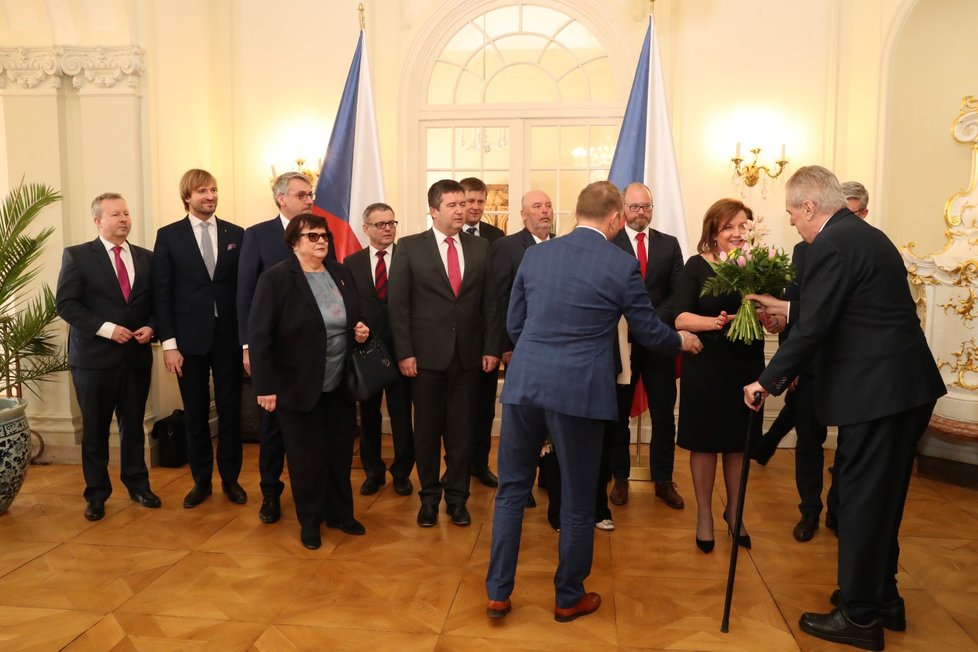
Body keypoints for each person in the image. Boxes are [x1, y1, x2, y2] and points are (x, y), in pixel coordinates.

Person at [744, 166, 945, 651]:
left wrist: (766, 381)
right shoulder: (866, 236)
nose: (795, 225)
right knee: (882, 502)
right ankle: (882, 599)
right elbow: (843, 310)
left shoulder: (832, 242)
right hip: (903, 390)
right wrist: (788, 308)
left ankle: (858, 617)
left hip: (878, 394)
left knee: (857, 503)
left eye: (794, 216)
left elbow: (815, 327)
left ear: (810, 207)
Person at [485, 180, 702, 623]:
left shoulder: (535, 254)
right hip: (580, 391)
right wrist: (680, 339)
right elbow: (647, 331)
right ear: (616, 218)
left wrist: (542, 356)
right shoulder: (621, 264)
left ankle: (497, 593)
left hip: (525, 383)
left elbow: (514, 323)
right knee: (581, 499)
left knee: (511, 491)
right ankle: (567, 596)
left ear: (576, 212)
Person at [751, 180, 871, 542]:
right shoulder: (803, 252)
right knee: (807, 445)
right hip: (809, 366)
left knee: (848, 449)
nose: (792, 223)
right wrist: (791, 363)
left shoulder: (847, 245)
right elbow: (803, 310)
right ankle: (809, 512)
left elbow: (828, 317)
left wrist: (772, 377)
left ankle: (837, 509)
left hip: (848, 372)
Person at [248, 214, 370, 550]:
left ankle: (340, 514)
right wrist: (265, 387)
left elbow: (352, 316)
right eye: (312, 235)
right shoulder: (276, 279)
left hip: (339, 383)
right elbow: (260, 336)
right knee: (306, 458)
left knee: (340, 453)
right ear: (294, 242)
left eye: (324, 235)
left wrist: (359, 328)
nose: (321, 241)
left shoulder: (341, 273)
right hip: (296, 386)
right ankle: (310, 521)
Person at [388, 179, 502, 528]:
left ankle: (457, 500)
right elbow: (398, 305)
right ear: (433, 210)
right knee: (426, 432)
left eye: (463, 203)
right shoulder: (408, 247)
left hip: (469, 357)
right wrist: (404, 352)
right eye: (452, 205)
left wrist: (492, 347)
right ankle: (428, 499)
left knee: (462, 433)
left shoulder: (481, 247)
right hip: (424, 359)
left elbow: (491, 303)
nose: (461, 210)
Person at [56, 193, 159, 521]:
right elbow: (67, 304)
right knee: (95, 429)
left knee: (133, 426)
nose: (124, 219)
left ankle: (138, 484)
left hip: (135, 358)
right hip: (93, 361)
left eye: (126, 213)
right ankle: (97, 494)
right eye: (115, 214)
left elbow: (158, 303)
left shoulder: (147, 258)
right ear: (98, 221)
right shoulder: (77, 256)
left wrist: (151, 327)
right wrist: (106, 329)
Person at [673, 198, 764, 554]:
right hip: (706, 366)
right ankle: (705, 517)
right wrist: (715, 323)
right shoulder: (696, 266)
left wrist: (773, 317)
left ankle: (735, 513)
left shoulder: (758, 265)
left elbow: (771, 311)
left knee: (738, 445)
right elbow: (679, 318)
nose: (737, 233)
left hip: (746, 368)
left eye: (743, 226)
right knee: (706, 444)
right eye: (729, 227)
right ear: (713, 231)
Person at [153, 169, 246, 508]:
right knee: (195, 414)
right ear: (187, 197)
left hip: (229, 338)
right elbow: (161, 294)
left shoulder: (237, 233)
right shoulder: (169, 236)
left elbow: (244, 289)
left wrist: (247, 340)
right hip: (188, 342)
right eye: (203, 191)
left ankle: (232, 480)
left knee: (231, 412)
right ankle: (201, 481)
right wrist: (170, 345)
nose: (210, 196)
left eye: (214, 190)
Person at [237, 171, 315, 525]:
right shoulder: (256, 235)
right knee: (271, 430)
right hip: (273, 351)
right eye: (302, 194)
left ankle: (311, 495)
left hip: (310, 355)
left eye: (310, 194)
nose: (309, 200)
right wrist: (248, 347)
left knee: (309, 428)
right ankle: (270, 493)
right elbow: (246, 295)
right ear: (281, 198)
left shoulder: (318, 230)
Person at [608, 182, 685, 508]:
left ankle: (663, 480)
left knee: (664, 416)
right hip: (622, 345)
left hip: (659, 344)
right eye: (635, 207)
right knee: (618, 415)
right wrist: (636, 321)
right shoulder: (611, 243)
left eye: (646, 207)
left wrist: (650, 322)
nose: (641, 213)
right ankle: (620, 479)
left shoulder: (669, 245)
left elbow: (678, 293)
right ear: (624, 209)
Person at [491, 189, 555, 509]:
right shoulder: (507, 246)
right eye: (537, 207)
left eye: (547, 206)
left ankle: (547, 476)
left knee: (549, 416)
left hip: (554, 351)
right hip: (519, 348)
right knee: (524, 421)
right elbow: (500, 299)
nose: (544, 212)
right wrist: (505, 346)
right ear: (523, 215)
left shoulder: (561, 245)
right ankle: (520, 484)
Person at [345, 203, 415, 497]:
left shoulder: (409, 258)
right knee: (370, 414)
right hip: (368, 352)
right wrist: (356, 329)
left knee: (401, 415)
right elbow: (348, 304)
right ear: (366, 229)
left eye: (391, 223)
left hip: (404, 350)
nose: (388, 228)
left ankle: (402, 472)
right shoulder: (352, 262)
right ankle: (373, 472)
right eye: (381, 224)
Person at [459, 176, 505, 488]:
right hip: (451, 342)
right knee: (456, 412)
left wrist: (495, 343)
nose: (475, 207)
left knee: (484, 410)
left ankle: (480, 464)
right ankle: (456, 467)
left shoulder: (496, 237)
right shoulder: (441, 237)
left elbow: (497, 296)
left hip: (485, 340)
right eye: (468, 201)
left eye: (479, 201)